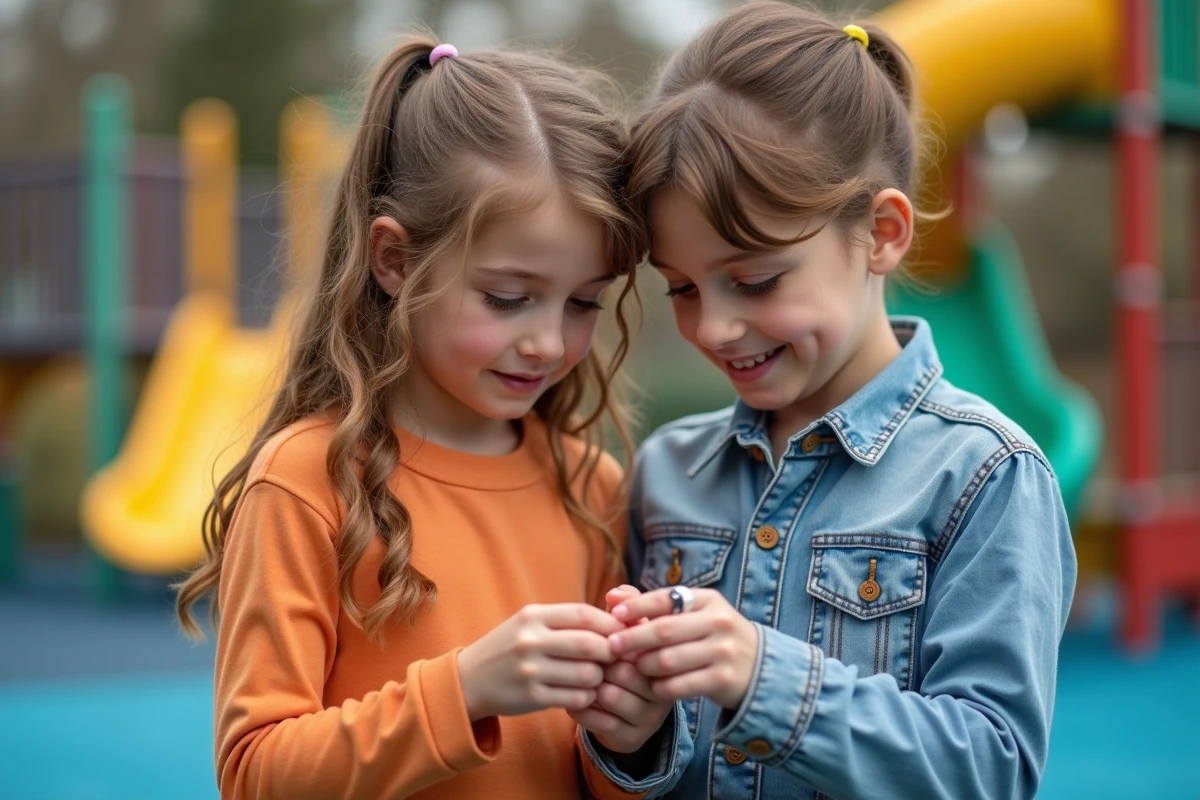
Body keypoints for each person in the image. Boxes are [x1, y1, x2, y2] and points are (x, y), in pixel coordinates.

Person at [582, 3, 1077, 798]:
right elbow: (648, 762)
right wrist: (632, 738)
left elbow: (989, 768)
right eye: (681, 288)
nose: (713, 327)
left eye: (755, 280)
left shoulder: (986, 477)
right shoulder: (666, 471)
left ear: (882, 232)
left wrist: (764, 679)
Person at [174, 36, 681, 799]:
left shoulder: (592, 484)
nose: (548, 342)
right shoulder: (306, 482)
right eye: (507, 298)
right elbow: (255, 775)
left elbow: (591, 774)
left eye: (584, 302)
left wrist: (629, 742)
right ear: (395, 260)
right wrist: (464, 691)